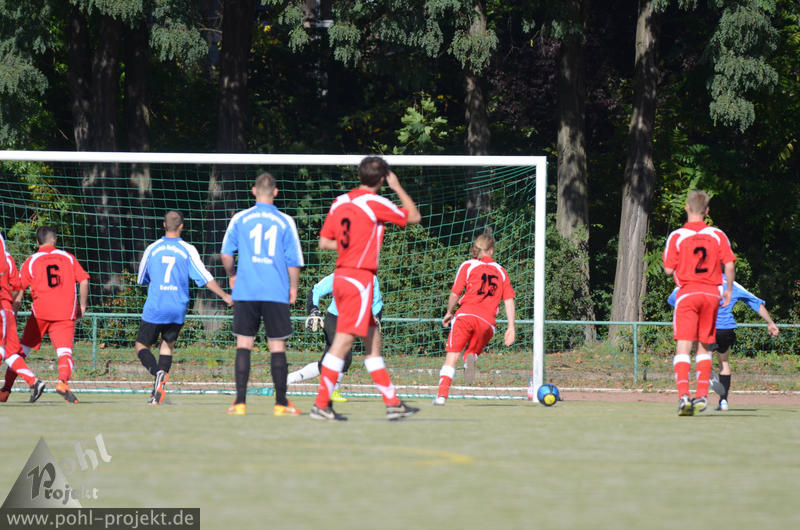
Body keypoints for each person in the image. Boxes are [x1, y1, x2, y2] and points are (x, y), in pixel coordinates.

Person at [310, 156, 422, 421]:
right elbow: (414, 216)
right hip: (359, 280)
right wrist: (397, 186)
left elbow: (324, 242)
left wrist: (350, 247)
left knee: (372, 342)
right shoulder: (375, 202)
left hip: (341, 276)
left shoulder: (340, 201)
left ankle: (393, 403)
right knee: (343, 343)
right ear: (382, 178)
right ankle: (321, 404)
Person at [221, 172, 304, 416]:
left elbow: (226, 254)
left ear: (254, 191)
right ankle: (280, 403)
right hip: (275, 291)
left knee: (244, 344)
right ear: (275, 192)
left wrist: (232, 274)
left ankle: (240, 402)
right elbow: (294, 261)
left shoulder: (240, 218)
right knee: (277, 346)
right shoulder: (285, 221)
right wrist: (294, 287)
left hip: (246, 290)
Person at [135, 211, 233, 405]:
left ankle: (157, 373)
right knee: (167, 345)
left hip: (156, 306)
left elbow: (141, 278)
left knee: (141, 346)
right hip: (177, 307)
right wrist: (224, 295)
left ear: (164, 225)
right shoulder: (188, 249)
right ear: (181, 226)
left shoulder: (152, 249)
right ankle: (158, 391)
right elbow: (204, 276)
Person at [663, 190, 736, 416]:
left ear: (686, 207)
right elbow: (730, 265)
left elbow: (668, 270)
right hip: (711, 295)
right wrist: (728, 290)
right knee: (704, 347)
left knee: (683, 346)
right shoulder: (717, 234)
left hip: (687, 293)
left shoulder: (677, 236)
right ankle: (702, 396)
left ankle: (684, 396)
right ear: (707, 211)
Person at [668, 277, 779, 411]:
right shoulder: (732, 284)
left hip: (707, 327)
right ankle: (724, 401)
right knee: (724, 363)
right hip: (726, 329)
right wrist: (770, 322)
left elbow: (674, 299)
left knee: (703, 357)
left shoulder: (695, 280)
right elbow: (755, 302)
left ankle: (703, 389)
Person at [434, 233, 516, 405]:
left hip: (466, 316)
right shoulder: (501, 272)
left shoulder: (468, 265)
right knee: (472, 351)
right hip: (487, 322)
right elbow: (509, 300)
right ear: (491, 250)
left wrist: (449, 311)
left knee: (452, 357)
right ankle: (470, 357)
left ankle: (441, 396)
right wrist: (511, 327)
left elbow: (455, 293)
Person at [13, 226, 90, 404]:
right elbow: (84, 281)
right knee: (65, 353)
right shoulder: (68, 257)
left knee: (19, 351)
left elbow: (19, 290)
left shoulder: (31, 260)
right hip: (65, 312)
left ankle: (6, 388)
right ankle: (62, 382)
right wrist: (82, 306)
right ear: (54, 239)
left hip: (40, 313)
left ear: (37, 242)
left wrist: (13, 314)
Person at [289, 273, 383, 404]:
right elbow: (316, 290)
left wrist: (376, 317)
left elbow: (377, 303)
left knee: (324, 365)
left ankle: (286, 380)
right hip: (334, 320)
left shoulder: (372, 278)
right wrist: (313, 310)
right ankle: (333, 391)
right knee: (345, 355)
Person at [0, 233, 46, 403]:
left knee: (5, 350)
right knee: (10, 352)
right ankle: (34, 382)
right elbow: (16, 287)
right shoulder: (9, 259)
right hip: (7, 309)